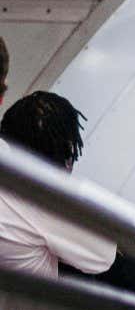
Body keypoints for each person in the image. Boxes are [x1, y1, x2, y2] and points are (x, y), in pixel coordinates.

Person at [0, 91, 116, 279]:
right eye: (68, 151)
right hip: (34, 294)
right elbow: (104, 258)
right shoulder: (42, 201)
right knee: (124, 267)